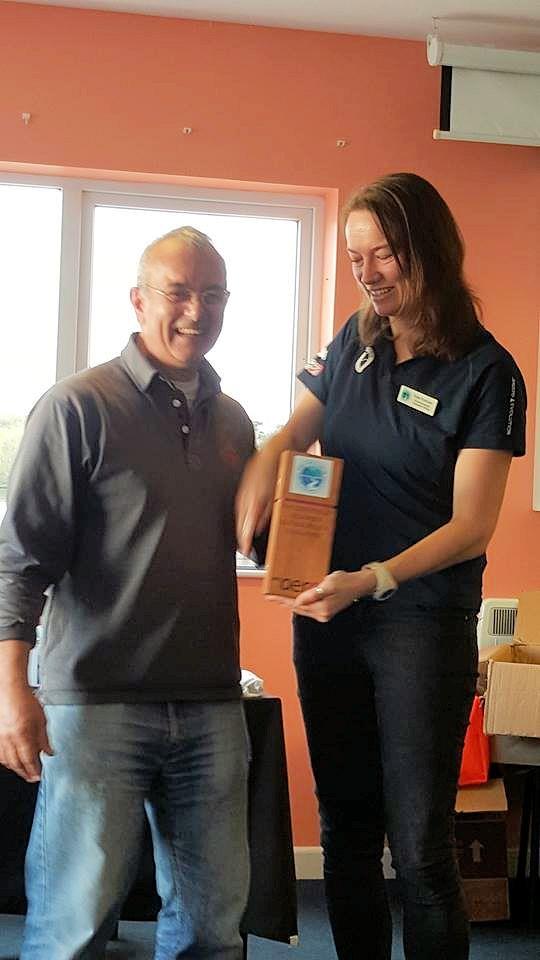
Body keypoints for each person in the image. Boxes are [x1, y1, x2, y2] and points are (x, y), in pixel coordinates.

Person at [237, 172, 527, 960]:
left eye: (384, 254)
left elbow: (472, 526)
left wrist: (376, 578)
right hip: (330, 614)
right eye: (355, 256)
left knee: (421, 845)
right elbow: (296, 429)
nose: (368, 273)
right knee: (347, 833)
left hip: (419, 621)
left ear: (428, 250)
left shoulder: (485, 371)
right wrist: (260, 472)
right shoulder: (355, 338)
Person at [0, 226, 255, 959]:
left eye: (212, 295)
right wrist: (12, 689)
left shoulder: (234, 418)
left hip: (210, 706)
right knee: (71, 926)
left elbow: (252, 536)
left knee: (212, 931)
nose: (195, 312)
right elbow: (20, 561)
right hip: (96, 707)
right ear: (138, 300)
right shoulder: (76, 406)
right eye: (178, 293)